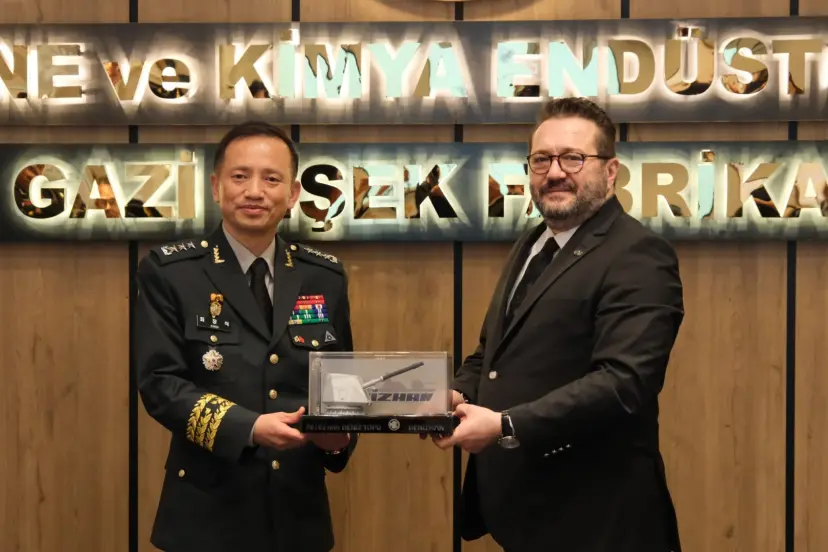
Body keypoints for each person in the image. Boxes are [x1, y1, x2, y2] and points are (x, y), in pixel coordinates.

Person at [432, 97, 684, 552]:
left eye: (573, 158)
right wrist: (457, 393)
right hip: (526, 510)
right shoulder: (532, 243)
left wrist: (506, 425)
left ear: (611, 171)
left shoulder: (639, 254)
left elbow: (624, 382)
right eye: (541, 160)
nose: (554, 172)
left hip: (599, 519)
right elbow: (493, 353)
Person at [134, 121, 357, 552]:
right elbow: (160, 384)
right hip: (206, 517)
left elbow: (341, 386)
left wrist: (338, 442)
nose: (255, 191)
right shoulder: (171, 272)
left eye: (272, 179)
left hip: (298, 516)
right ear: (216, 187)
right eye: (240, 176)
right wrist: (249, 427)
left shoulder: (323, 276)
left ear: (292, 194)